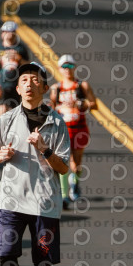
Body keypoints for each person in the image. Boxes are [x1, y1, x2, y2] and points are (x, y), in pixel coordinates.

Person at [0, 62, 70, 266]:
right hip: (11, 200)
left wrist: (44, 149)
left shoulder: (57, 123)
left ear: (44, 88)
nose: (29, 84)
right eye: (24, 80)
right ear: (17, 88)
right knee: (6, 255)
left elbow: (64, 167)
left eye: (35, 80)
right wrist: (1, 155)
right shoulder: (7, 119)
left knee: (43, 261)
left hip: (45, 202)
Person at [49, 55, 96, 205]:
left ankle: (74, 184)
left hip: (79, 128)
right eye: (64, 67)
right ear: (59, 69)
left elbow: (94, 104)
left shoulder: (82, 86)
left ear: (74, 68)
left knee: (76, 162)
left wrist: (83, 104)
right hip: (63, 130)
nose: (67, 70)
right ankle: (64, 195)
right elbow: (51, 108)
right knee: (63, 160)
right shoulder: (56, 88)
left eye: (70, 66)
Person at [0, 21, 30, 116]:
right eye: (4, 32)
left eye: (9, 32)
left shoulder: (21, 48)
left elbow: (28, 64)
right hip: (1, 83)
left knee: (14, 109)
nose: (6, 34)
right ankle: (1, 125)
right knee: (2, 108)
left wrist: (19, 59)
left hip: (15, 84)